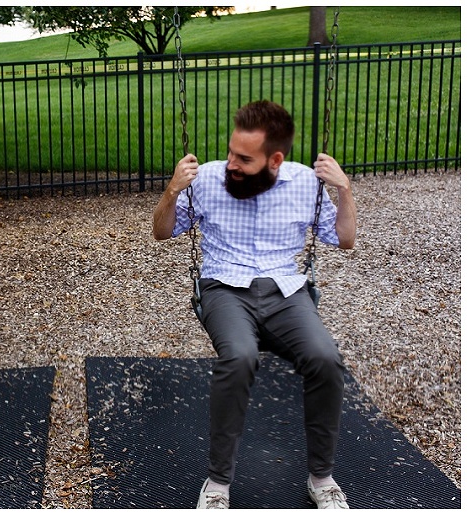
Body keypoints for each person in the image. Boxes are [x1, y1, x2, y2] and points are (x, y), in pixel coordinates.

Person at [153, 100, 357, 509]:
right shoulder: (207, 180)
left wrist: (344, 189)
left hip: (286, 291)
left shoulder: (305, 183)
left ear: (274, 160)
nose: (231, 164)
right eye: (231, 152)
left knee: (326, 358)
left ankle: (322, 479)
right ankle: (217, 484)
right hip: (224, 288)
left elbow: (345, 239)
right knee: (240, 356)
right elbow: (161, 231)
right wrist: (173, 189)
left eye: (244, 159)